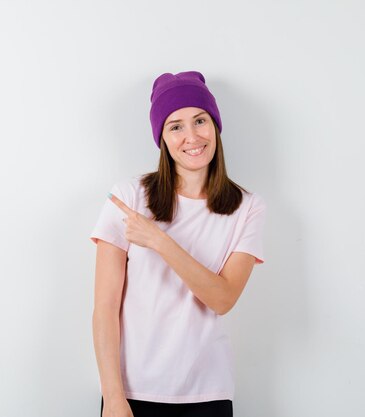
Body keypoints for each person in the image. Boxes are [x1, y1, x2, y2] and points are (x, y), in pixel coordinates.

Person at [90, 71, 267, 417]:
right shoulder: (130, 196)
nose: (192, 137)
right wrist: (113, 397)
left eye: (200, 120)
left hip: (207, 394)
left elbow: (222, 298)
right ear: (162, 138)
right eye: (175, 126)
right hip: (131, 391)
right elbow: (105, 308)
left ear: (215, 125)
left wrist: (158, 240)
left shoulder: (248, 207)